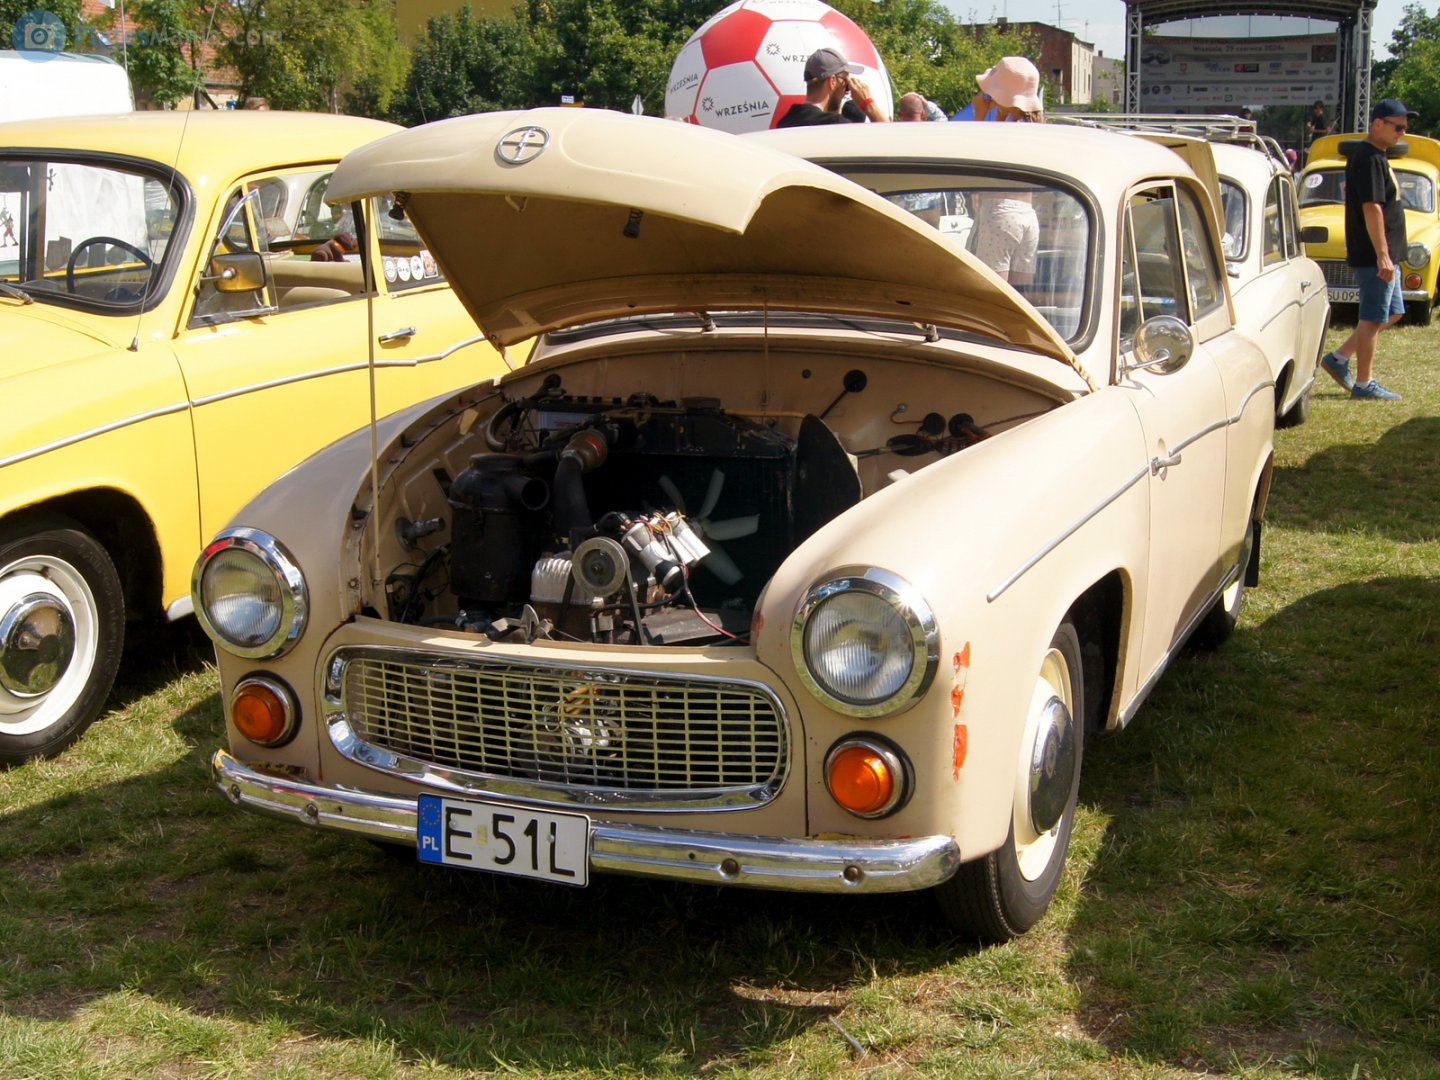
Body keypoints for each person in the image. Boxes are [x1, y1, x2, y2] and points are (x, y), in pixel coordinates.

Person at [1318, 98, 1415, 401]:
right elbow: (1371, 207)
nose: (1402, 132)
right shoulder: (1368, 157)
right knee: (1373, 316)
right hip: (1376, 256)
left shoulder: (1377, 156)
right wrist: (1383, 254)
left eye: (1404, 127)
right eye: (1397, 127)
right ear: (1377, 124)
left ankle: (1339, 358)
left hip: (1386, 255)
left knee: (1394, 312)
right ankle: (1364, 383)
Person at [776, 47, 889, 127]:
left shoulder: (784, 122)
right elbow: (892, 138)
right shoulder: (834, 125)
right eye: (846, 83)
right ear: (833, 81)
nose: (846, 92)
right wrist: (868, 103)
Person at [951, 56, 1043, 123]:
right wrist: (1001, 114)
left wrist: (979, 117)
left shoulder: (1019, 129)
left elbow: (979, 148)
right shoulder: (1027, 124)